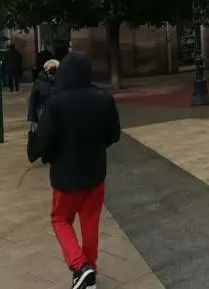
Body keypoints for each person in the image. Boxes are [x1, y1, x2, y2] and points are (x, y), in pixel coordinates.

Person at [37, 51, 121, 289]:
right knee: (90, 222)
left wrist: (51, 156)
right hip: (95, 172)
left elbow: (46, 140)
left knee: (60, 219)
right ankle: (89, 270)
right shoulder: (103, 99)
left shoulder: (55, 102)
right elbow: (113, 134)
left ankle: (80, 266)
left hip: (65, 175)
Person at [27, 59, 59, 131]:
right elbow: (33, 100)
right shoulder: (39, 82)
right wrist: (32, 118)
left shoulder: (61, 82)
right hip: (42, 113)